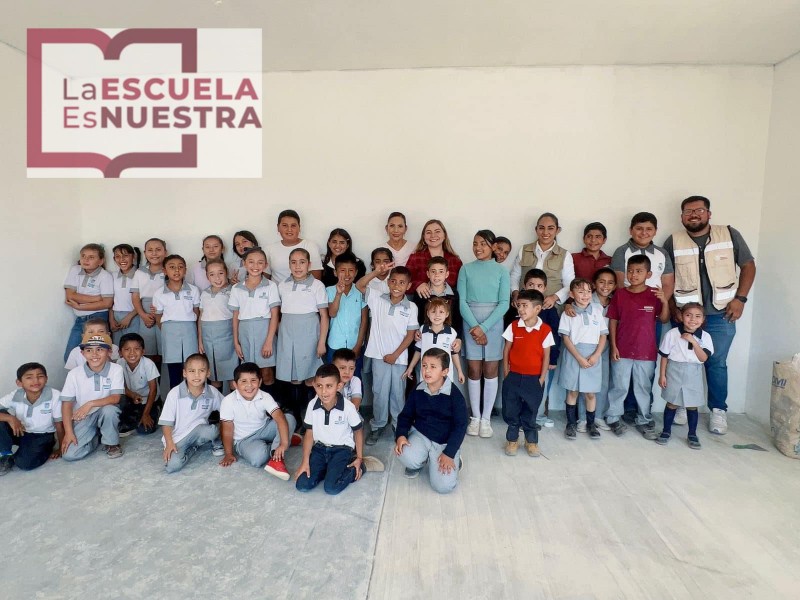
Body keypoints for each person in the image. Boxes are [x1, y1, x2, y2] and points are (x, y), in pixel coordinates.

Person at [662, 195, 756, 435]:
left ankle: (718, 410)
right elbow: (666, 278)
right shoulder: (673, 241)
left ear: (709, 214)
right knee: (681, 360)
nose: (694, 215)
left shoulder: (729, 234)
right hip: (685, 316)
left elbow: (748, 265)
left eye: (699, 210)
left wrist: (740, 299)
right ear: (682, 216)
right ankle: (682, 404)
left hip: (721, 314)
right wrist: (672, 306)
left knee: (716, 363)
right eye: (688, 211)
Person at [606, 255, 670, 439]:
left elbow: (664, 319)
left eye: (639, 271)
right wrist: (614, 346)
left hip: (646, 351)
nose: (633, 275)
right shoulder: (620, 294)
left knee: (643, 387)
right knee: (619, 386)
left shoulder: (654, 294)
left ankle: (644, 419)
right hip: (622, 350)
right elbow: (613, 320)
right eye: (630, 271)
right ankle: (613, 417)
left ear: (648, 274)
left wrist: (665, 301)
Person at [356, 264, 419, 445]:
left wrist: (395, 354)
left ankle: (399, 427)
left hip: (399, 358)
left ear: (408, 286)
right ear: (388, 282)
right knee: (379, 392)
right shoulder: (377, 298)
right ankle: (378, 425)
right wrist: (377, 272)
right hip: (379, 356)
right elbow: (359, 285)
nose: (397, 286)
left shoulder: (411, 307)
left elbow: (410, 335)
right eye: (393, 281)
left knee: (398, 394)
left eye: (402, 282)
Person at [458, 230, 510, 439]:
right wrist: (475, 327)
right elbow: (462, 302)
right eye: (475, 243)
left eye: (483, 244)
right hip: (470, 321)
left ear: (493, 247)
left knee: (490, 369)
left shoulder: (501, 271)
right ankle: (475, 417)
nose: (478, 247)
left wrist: (484, 328)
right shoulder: (466, 269)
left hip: (494, 323)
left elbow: (504, 303)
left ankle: (486, 419)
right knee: (473, 369)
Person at [395, 348, 467, 494]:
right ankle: (420, 460)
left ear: (445, 371)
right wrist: (401, 435)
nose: (427, 370)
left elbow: (460, 426)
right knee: (403, 453)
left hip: (443, 442)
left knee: (443, 487)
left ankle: (455, 459)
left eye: (433, 367)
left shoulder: (455, 396)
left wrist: (449, 453)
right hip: (422, 435)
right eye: (424, 365)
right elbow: (405, 416)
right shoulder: (418, 390)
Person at [276, 248, 330, 423]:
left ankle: (310, 415)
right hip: (288, 333)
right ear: (289, 264)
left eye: (302, 262)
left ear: (309, 264)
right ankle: (296, 417)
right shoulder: (282, 285)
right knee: (294, 377)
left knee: (309, 375)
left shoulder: (317, 285)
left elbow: (324, 316)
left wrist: (321, 341)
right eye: (293, 262)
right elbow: (276, 313)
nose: (297, 266)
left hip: (309, 333)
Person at [295, 364, 366, 494]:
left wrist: (359, 458)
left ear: (338, 386)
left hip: (341, 450)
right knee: (302, 485)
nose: (324, 392)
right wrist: (305, 462)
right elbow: (309, 433)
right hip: (319, 449)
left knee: (331, 488)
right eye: (319, 386)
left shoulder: (348, 407)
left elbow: (358, 431)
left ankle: (359, 467)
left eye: (329, 386)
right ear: (314, 385)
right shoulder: (312, 405)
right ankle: (328, 470)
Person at [218, 362, 296, 479]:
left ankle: (277, 458)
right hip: (244, 440)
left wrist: (284, 443)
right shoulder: (228, 401)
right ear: (235, 384)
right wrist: (228, 454)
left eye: (253, 380)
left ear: (260, 382)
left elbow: (279, 418)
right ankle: (284, 437)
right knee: (257, 459)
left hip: (265, 428)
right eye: (243, 381)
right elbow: (227, 429)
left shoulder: (265, 396)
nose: (249, 385)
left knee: (289, 419)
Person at [501, 290, 554, 457]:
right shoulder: (513, 326)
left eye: (525, 306)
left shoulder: (545, 330)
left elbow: (546, 356)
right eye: (519, 305)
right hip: (513, 376)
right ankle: (512, 439)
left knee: (531, 410)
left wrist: (542, 378)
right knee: (511, 409)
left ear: (537, 309)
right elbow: (506, 350)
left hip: (534, 379)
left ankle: (531, 442)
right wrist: (506, 372)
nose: (521, 309)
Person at [656, 303, 714, 449]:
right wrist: (662, 375)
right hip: (674, 370)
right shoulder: (672, 334)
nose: (693, 319)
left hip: (693, 372)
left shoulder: (705, 337)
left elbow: (703, 358)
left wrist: (693, 341)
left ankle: (692, 434)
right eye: (688, 315)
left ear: (703, 319)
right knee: (672, 402)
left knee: (692, 405)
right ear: (681, 316)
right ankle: (666, 431)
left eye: (697, 316)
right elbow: (664, 356)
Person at [60, 333, 125, 460]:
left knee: (110, 410)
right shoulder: (74, 374)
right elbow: (66, 404)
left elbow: (115, 398)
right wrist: (68, 432)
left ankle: (111, 443)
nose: (94, 354)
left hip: (104, 411)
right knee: (70, 455)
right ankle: (97, 438)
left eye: (100, 349)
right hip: (83, 416)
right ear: (82, 353)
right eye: (89, 350)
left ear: (109, 352)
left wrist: (90, 404)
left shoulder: (116, 369)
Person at [559, 278, 608, 440]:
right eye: (581, 292)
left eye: (588, 291)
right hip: (574, 355)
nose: (585, 295)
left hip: (593, 356)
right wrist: (579, 358)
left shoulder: (597, 310)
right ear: (572, 294)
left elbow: (603, 335)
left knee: (590, 393)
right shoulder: (568, 313)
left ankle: (591, 424)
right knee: (572, 391)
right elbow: (566, 338)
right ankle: (571, 424)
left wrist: (597, 355)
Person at [158, 353, 225, 473]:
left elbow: (227, 409)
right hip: (178, 437)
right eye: (192, 371)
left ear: (208, 373)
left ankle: (217, 442)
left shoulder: (212, 392)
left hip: (200, 430)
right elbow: (166, 422)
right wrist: (169, 443)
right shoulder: (175, 393)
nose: (197, 375)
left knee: (212, 431)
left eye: (201, 371)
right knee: (172, 466)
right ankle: (193, 448)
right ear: (184, 373)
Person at [229, 247, 281, 391]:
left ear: (266, 265)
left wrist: (269, 341)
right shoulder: (236, 288)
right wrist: (236, 342)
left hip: (264, 331)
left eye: (260, 262)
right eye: (251, 262)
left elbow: (275, 314)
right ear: (244, 263)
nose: (255, 266)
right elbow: (235, 317)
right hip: (245, 332)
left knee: (266, 372)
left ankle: (270, 402)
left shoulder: (270, 286)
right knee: (249, 372)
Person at [0, 363, 63, 475]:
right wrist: (10, 418)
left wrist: (61, 447)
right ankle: (5, 455)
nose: (35, 381)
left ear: (46, 379)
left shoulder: (55, 395)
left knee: (24, 464)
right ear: (19, 383)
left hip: (41, 435)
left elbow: (59, 424)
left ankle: (44, 448)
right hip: (20, 430)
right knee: (2, 416)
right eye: (29, 377)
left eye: (40, 376)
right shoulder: (16, 394)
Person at [520, 269, 562, 427]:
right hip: (522, 359)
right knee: (521, 388)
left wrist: (552, 358)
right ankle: (521, 417)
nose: (535, 288)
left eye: (539, 286)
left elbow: (555, 336)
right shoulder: (518, 308)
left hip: (543, 360)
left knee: (540, 387)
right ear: (524, 286)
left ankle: (537, 416)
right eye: (531, 284)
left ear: (545, 288)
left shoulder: (549, 310)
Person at [153, 254, 201, 389]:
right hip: (169, 332)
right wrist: (168, 330)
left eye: (180, 267)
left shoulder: (193, 290)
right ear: (164, 271)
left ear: (185, 270)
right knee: (174, 369)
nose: (176, 270)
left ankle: (192, 395)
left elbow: (196, 311)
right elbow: (158, 317)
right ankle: (175, 398)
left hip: (189, 330)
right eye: (172, 267)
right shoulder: (159, 293)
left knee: (191, 365)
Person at [510, 212, 574, 309]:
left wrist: (554, 297)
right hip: (524, 308)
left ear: (557, 230)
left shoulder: (565, 255)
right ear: (536, 229)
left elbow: (570, 284)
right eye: (541, 228)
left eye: (550, 228)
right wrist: (515, 294)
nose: (545, 232)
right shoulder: (524, 250)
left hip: (550, 308)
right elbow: (515, 276)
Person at [63, 243, 114, 362]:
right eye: (83, 256)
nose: (86, 260)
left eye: (91, 257)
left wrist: (79, 307)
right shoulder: (75, 270)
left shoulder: (105, 276)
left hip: (98, 318)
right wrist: (97, 298)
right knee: (70, 357)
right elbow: (70, 296)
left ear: (100, 261)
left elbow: (107, 303)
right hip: (80, 320)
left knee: (98, 355)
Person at [403, 297, 465, 385]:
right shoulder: (422, 330)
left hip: (445, 377)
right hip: (426, 376)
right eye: (433, 312)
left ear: (447, 314)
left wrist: (460, 371)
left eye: (441, 312)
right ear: (428, 313)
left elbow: (454, 353)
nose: (437, 315)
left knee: (444, 393)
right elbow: (418, 351)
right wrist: (410, 367)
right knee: (426, 393)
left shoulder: (451, 332)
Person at [198, 258, 238, 392]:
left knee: (233, 376)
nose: (217, 278)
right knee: (214, 376)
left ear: (227, 273)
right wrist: (200, 340)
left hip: (228, 337)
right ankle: (217, 404)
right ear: (207, 276)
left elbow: (237, 316)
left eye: (220, 273)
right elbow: (201, 317)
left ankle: (234, 404)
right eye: (212, 274)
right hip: (208, 339)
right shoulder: (204, 293)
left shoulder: (233, 291)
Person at [326, 253, 368, 370]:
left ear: (356, 272)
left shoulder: (361, 292)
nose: (347, 274)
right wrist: (338, 294)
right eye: (343, 270)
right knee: (334, 375)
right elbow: (332, 313)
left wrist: (358, 345)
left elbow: (364, 321)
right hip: (335, 343)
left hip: (355, 344)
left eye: (351, 270)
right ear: (335, 272)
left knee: (354, 375)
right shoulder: (329, 291)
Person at [131, 237, 168, 371]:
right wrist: (143, 315)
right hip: (145, 313)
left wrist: (159, 314)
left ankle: (166, 383)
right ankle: (152, 381)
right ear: (145, 253)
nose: (154, 253)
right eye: (150, 250)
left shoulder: (169, 271)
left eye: (158, 250)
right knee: (148, 350)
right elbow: (135, 296)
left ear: (165, 252)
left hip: (164, 314)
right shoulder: (140, 272)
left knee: (166, 350)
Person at [117, 333, 161, 436]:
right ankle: (134, 418)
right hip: (131, 398)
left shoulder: (148, 364)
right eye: (127, 349)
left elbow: (153, 390)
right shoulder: (119, 363)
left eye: (136, 349)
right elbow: (122, 386)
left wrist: (146, 414)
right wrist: (133, 395)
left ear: (143, 351)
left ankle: (156, 409)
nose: (132, 353)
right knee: (120, 403)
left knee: (145, 430)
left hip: (150, 400)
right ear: (120, 352)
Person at [406, 219, 463, 294]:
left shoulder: (455, 261)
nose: (433, 235)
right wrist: (417, 285)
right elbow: (403, 281)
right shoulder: (415, 258)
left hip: (448, 301)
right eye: (428, 232)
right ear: (423, 237)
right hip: (420, 300)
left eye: (437, 231)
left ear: (444, 235)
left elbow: (461, 287)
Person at [265, 209, 323, 283]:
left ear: (299, 227)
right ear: (278, 227)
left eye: (293, 226)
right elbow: (265, 278)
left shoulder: (310, 246)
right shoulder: (269, 249)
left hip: (304, 289)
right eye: (285, 225)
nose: (289, 229)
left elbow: (316, 279)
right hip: (277, 290)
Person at [411, 256, 462, 335]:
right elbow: (416, 318)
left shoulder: (454, 294)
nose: (437, 275)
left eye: (441, 271)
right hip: (425, 337)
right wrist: (416, 332)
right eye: (433, 271)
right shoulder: (421, 293)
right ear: (428, 274)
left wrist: (458, 338)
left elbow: (457, 319)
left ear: (447, 274)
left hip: (448, 338)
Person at [108, 243, 144, 345]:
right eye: (118, 256)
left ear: (133, 257)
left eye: (125, 255)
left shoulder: (140, 275)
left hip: (134, 316)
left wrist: (129, 318)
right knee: (117, 347)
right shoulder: (112, 276)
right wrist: (111, 320)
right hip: (116, 317)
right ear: (114, 259)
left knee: (132, 345)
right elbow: (111, 300)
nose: (122, 259)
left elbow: (142, 300)